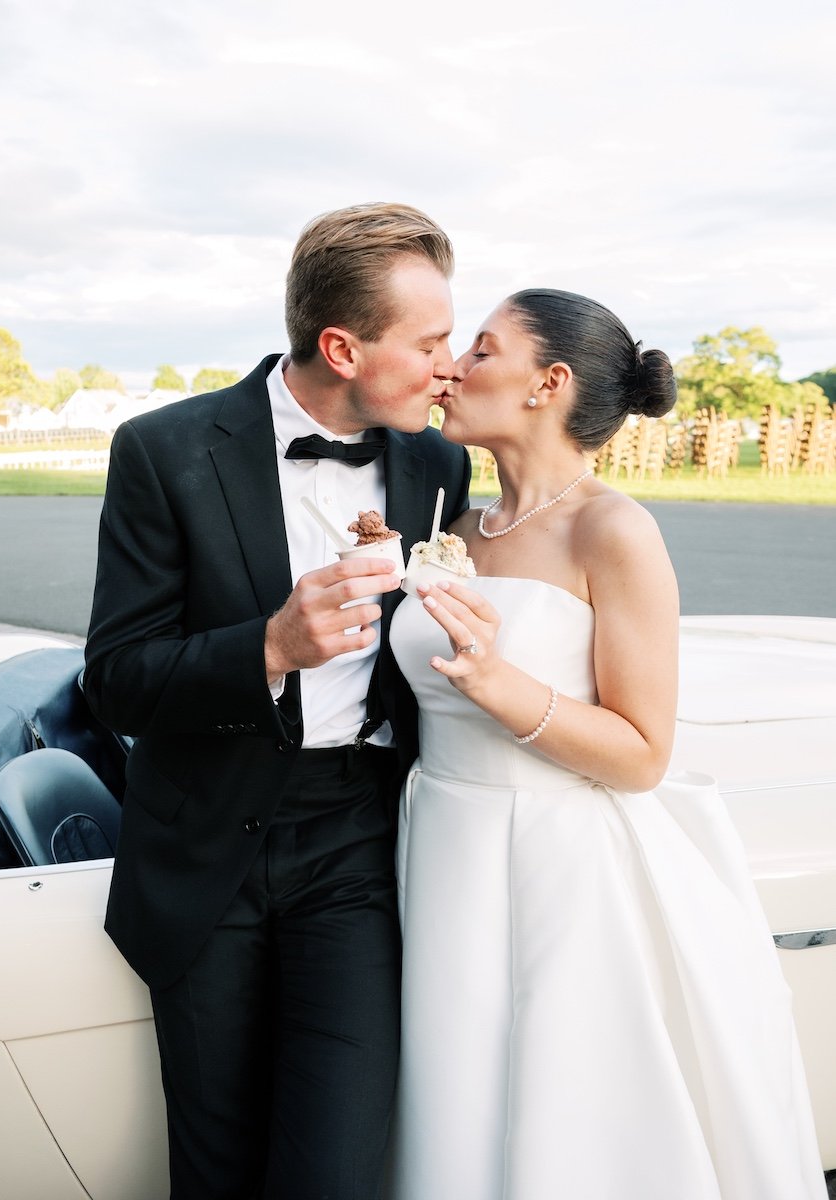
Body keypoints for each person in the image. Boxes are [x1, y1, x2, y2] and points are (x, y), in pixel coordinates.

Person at [387, 289, 826, 1199]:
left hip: (559, 863)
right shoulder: (457, 527)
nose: (452, 367)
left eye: (480, 347)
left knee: (564, 1113)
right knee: (456, 1099)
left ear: (548, 382)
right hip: (439, 844)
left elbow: (641, 754)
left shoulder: (614, 531)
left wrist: (502, 688)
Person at [83, 202, 471, 1200]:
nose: (449, 364)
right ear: (342, 347)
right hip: (208, 843)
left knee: (338, 1166)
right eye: (429, 342)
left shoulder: (437, 461)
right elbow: (117, 677)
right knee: (215, 1167)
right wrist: (269, 646)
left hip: (357, 842)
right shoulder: (162, 450)